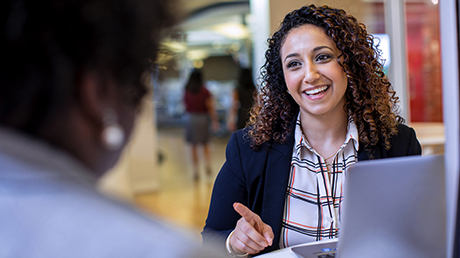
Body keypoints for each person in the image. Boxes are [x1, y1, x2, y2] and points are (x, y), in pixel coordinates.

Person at [0, 1, 226, 257]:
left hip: (190, 121)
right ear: (99, 91)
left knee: (195, 148)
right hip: (202, 122)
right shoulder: (169, 249)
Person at [202, 4, 422, 257]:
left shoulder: (397, 144)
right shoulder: (249, 149)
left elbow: (420, 236)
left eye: (322, 57)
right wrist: (235, 241)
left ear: (348, 64)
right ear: (282, 78)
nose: (310, 75)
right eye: (294, 64)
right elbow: (211, 238)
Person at [183, 70, 220, 180]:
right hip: (203, 118)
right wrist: (215, 120)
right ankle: (208, 166)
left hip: (190, 118)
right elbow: (210, 107)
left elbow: (184, 105)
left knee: (193, 146)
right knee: (205, 144)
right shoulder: (205, 91)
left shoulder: (186, 90)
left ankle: (195, 170)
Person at [227, 68, 257, 132]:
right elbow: (257, 103)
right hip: (252, 114)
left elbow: (235, 104)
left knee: (241, 135)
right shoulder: (254, 88)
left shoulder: (237, 89)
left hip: (241, 114)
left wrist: (231, 119)